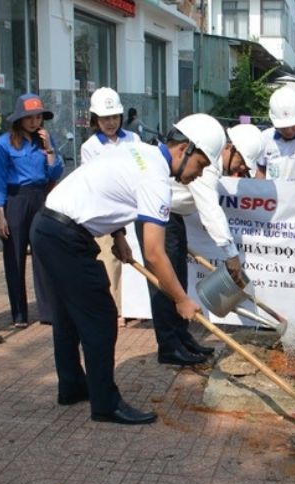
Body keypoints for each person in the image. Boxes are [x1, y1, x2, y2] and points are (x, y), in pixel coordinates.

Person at [29, 113, 226, 425]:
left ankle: (72, 387)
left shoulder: (141, 151)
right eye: (200, 165)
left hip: (47, 226)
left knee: (67, 316)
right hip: (66, 237)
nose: (199, 174)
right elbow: (155, 253)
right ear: (184, 149)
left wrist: (118, 234)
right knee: (101, 318)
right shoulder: (157, 179)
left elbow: (108, 186)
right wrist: (181, 300)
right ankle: (105, 403)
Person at [136, 123, 264, 366]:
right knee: (165, 285)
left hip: (173, 217)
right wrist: (231, 256)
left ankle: (182, 338)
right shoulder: (207, 163)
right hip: (158, 218)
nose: (240, 170)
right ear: (229, 148)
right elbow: (210, 211)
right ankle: (169, 347)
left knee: (179, 282)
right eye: (241, 163)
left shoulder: (208, 159)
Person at [0, 93, 63, 328]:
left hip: (41, 197)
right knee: (15, 257)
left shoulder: (43, 140)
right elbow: (0, 181)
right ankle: (19, 313)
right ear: (19, 118)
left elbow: (54, 174)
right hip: (15, 200)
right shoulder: (3, 144)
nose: (35, 122)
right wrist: (0, 213)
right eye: (29, 117)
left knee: (44, 253)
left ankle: (48, 310)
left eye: (39, 117)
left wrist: (50, 149)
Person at [80, 87, 141, 329]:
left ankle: (136, 305)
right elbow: (93, 182)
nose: (111, 122)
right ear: (96, 119)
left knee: (135, 255)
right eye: (105, 118)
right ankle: (116, 308)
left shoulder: (133, 140)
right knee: (111, 259)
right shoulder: (90, 147)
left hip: (133, 206)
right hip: (106, 210)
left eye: (114, 117)